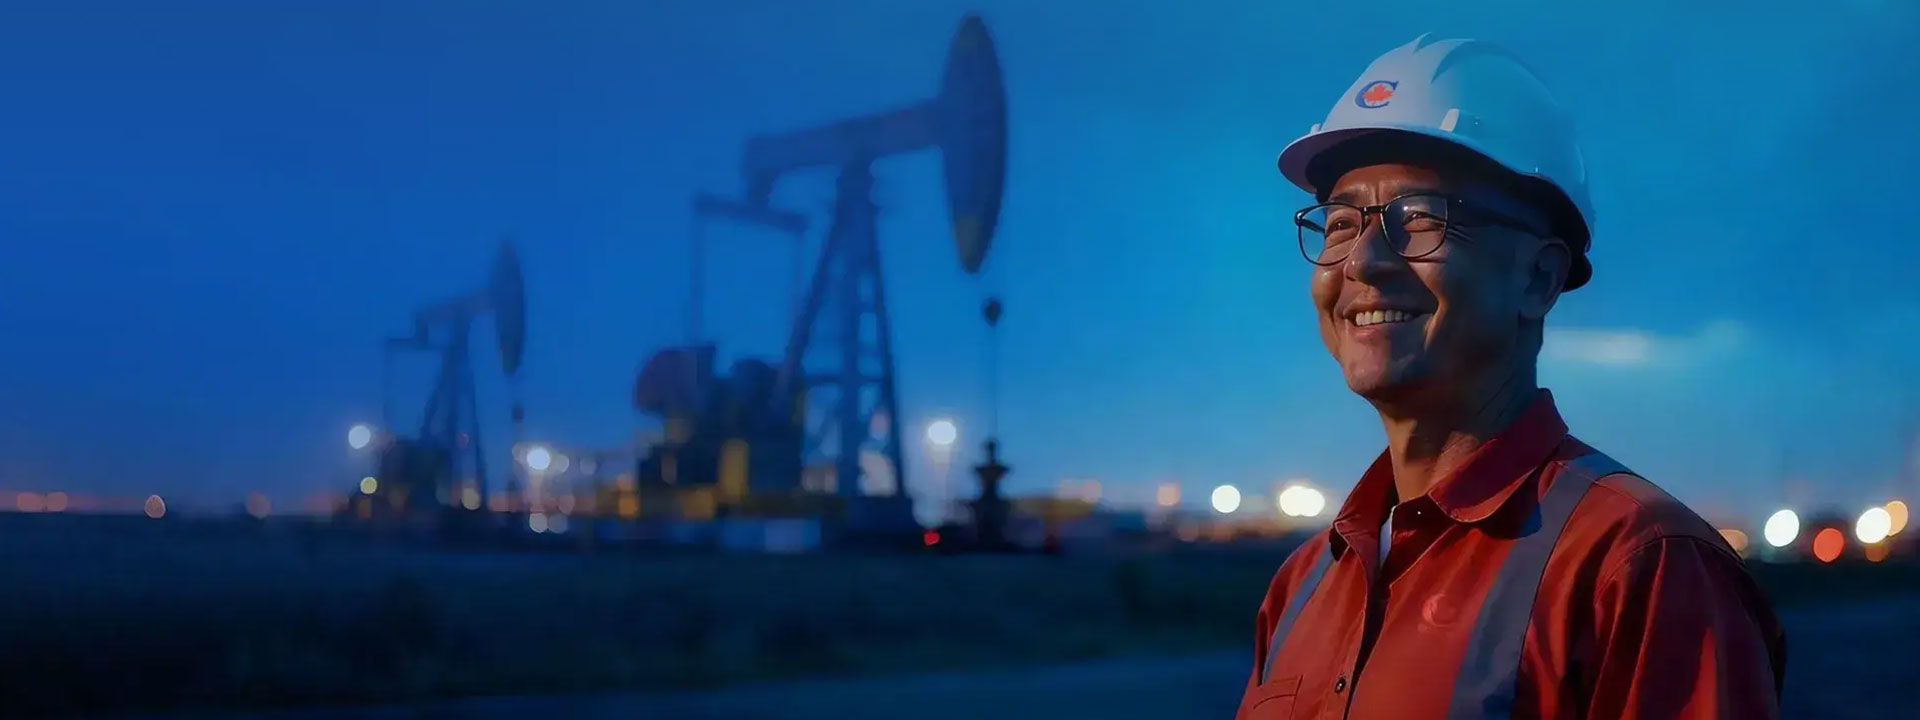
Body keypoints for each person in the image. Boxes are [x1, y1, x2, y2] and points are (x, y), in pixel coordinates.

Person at [1236, 35, 1786, 719]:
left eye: (1420, 218)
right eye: (1342, 223)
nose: (1362, 261)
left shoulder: (1634, 566)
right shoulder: (1302, 588)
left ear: (1538, 277)